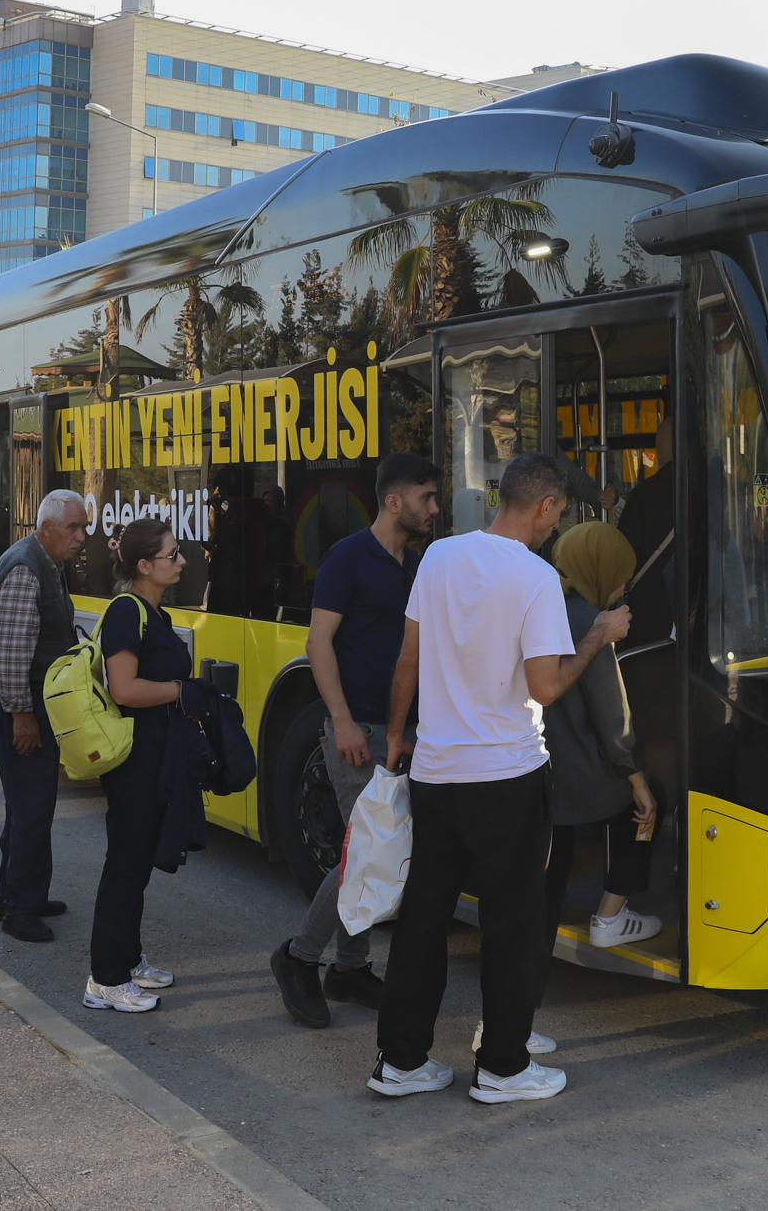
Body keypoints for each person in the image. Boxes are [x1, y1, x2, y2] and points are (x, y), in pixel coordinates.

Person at [371, 453, 628, 1105]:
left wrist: (397, 735)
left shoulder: (439, 557)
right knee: (513, 923)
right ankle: (503, 1068)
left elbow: (407, 658)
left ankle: (400, 1061)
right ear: (545, 506)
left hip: (436, 771)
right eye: (559, 513)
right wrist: (597, 636)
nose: (557, 525)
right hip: (508, 777)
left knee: (423, 918)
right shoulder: (536, 578)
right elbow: (546, 686)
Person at [269, 452, 438, 1029]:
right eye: (426, 497)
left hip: (400, 731)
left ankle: (349, 967)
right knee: (365, 854)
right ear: (394, 501)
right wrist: (340, 721)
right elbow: (318, 643)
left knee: (377, 853)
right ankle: (299, 957)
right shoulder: (347, 557)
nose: (434, 508)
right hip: (358, 728)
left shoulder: (413, 564)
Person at [84, 517, 197, 1014]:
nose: (182, 561)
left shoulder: (153, 613)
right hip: (134, 758)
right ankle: (104, 979)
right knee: (125, 866)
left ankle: (128, 961)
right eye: (173, 555)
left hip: (157, 755)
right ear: (145, 565)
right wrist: (181, 691)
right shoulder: (126, 612)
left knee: (137, 865)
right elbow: (125, 689)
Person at [542, 523, 661, 970]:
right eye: (621, 578)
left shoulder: (540, 604)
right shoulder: (593, 624)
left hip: (535, 768)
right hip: (578, 777)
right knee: (650, 804)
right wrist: (639, 780)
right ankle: (611, 915)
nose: (623, 588)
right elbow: (614, 722)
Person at [0, 489, 88, 944]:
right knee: (31, 806)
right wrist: (21, 715)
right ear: (46, 528)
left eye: (84, 527)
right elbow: (9, 653)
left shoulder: (45, 560)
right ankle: (20, 910)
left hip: (27, 701)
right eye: (73, 528)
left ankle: (14, 895)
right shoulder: (27, 568)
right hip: (22, 704)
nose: (81, 537)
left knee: (27, 804)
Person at [616, 406, 676, 646]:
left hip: (647, 614)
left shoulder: (644, 495)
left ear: (661, 449)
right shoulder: (710, 489)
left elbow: (623, 558)